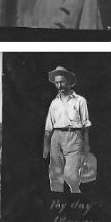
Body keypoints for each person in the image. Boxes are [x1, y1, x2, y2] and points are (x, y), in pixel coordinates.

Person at [42, 66, 91, 194]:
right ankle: (57, 199)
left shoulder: (80, 101)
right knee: (55, 174)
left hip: (74, 136)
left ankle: (75, 191)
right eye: (56, 82)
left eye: (62, 81)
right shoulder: (54, 103)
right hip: (56, 137)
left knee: (70, 175)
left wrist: (86, 147)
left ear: (69, 81)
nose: (59, 85)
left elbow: (85, 125)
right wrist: (46, 147)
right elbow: (48, 128)